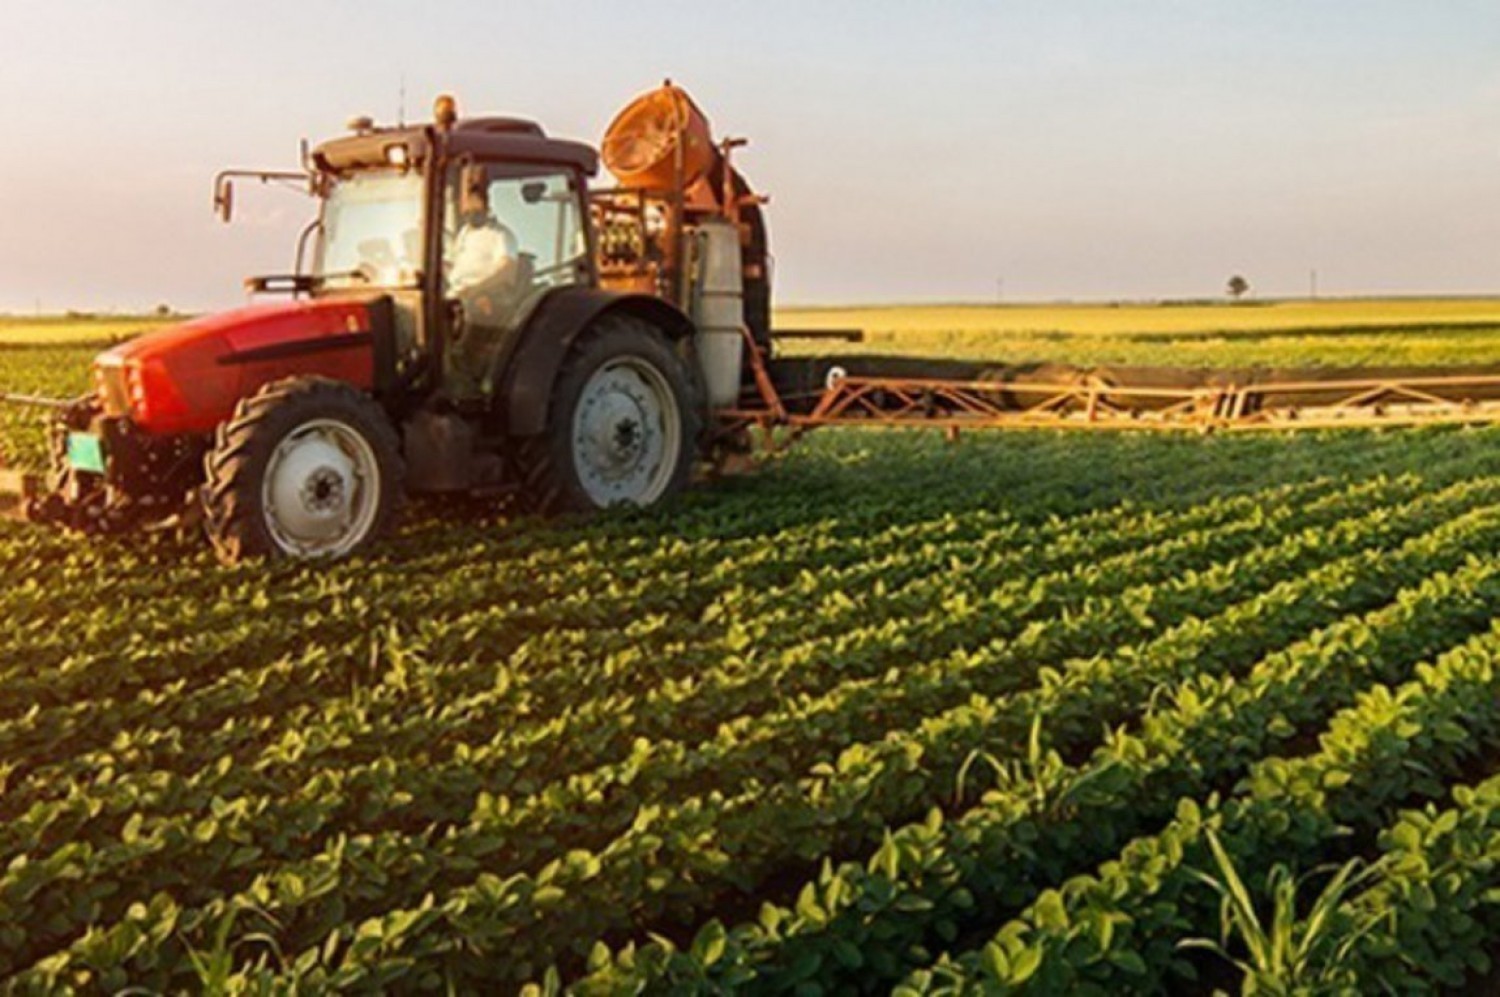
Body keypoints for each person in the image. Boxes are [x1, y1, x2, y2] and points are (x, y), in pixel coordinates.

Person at [447, 181, 519, 297]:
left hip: (483, 296)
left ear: (487, 208)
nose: (471, 212)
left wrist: (474, 290)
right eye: (468, 209)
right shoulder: (464, 233)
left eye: (476, 209)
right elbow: (453, 265)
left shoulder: (501, 235)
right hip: (456, 292)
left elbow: (506, 272)